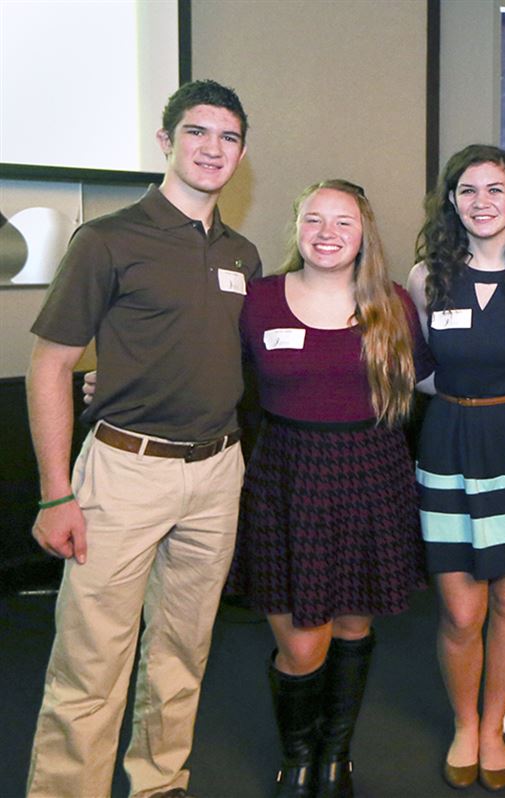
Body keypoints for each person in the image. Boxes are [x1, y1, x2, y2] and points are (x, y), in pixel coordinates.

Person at [25, 80, 259, 798]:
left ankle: (159, 782)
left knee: (182, 652)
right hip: (124, 472)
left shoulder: (243, 255)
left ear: (241, 153)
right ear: (165, 141)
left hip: (217, 473)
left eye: (227, 137)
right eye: (197, 132)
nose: (212, 148)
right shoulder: (108, 239)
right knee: (91, 660)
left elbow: (214, 353)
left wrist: (123, 371)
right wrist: (55, 494)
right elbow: (51, 366)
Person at [225, 180, 433, 797]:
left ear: (364, 233)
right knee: (301, 644)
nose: (327, 233)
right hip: (287, 478)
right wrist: (116, 378)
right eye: (314, 219)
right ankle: (297, 755)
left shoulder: (392, 303)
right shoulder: (259, 300)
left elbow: (434, 380)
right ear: (296, 226)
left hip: (372, 475)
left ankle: (335, 755)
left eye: (343, 221)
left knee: (350, 627)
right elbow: (205, 368)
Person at [407, 144, 505, 791]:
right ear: (451, 201)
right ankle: (464, 724)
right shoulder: (426, 276)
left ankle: (494, 727)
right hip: (449, 445)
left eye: (494, 189)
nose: (482, 202)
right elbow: (420, 371)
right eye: (468, 190)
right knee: (459, 612)